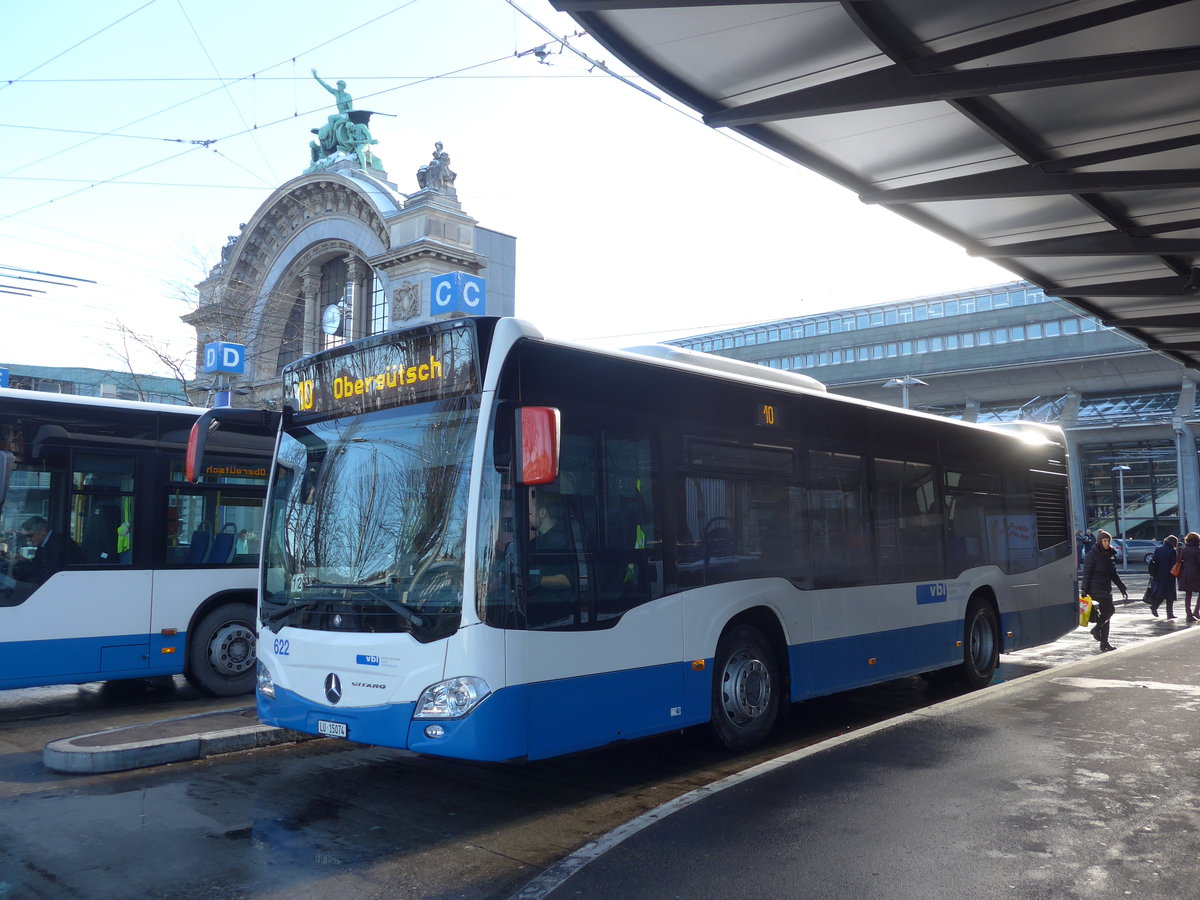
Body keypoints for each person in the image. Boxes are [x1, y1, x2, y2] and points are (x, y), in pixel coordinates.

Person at [1081, 530, 1127, 652]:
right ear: (1099, 541)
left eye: (1108, 541)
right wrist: (1084, 590)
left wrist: (1122, 587)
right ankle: (1096, 629)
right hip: (1095, 589)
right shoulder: (1092, 555)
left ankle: (1104, 643)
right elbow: (1087, 573)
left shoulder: (1109, 554)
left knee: (1107, 617)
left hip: (1106, 588)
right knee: (1110, 611)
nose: (1106, 543)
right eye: (1104, 541)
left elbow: (1113, 573)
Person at [11, 516, 79, 585]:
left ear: (42, 531)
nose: (27, 539)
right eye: (25, 536)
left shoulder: (58, 545)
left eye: (30, 535)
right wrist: (24, 560)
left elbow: (43, 574)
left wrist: (19, 564)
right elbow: (37, 566)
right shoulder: (44, 543)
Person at [1148, 535, 1180, 618]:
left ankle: (1154, 606)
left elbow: (1154, 560)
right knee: (1170, 595)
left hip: (1159, 574)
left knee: (1161, 593)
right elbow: (1173, 563)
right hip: (1169, 574)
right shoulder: (1172, 551)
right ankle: (1169, 613)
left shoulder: (1158, 549)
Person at [1178, 532, 1200, 622]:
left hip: (1185, 573)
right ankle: (1196, 611)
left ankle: (1188, 614)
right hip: (1196, 573)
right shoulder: (1198, 550)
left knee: (1188, 594)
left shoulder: (1182, 549)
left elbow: (1178, 560)